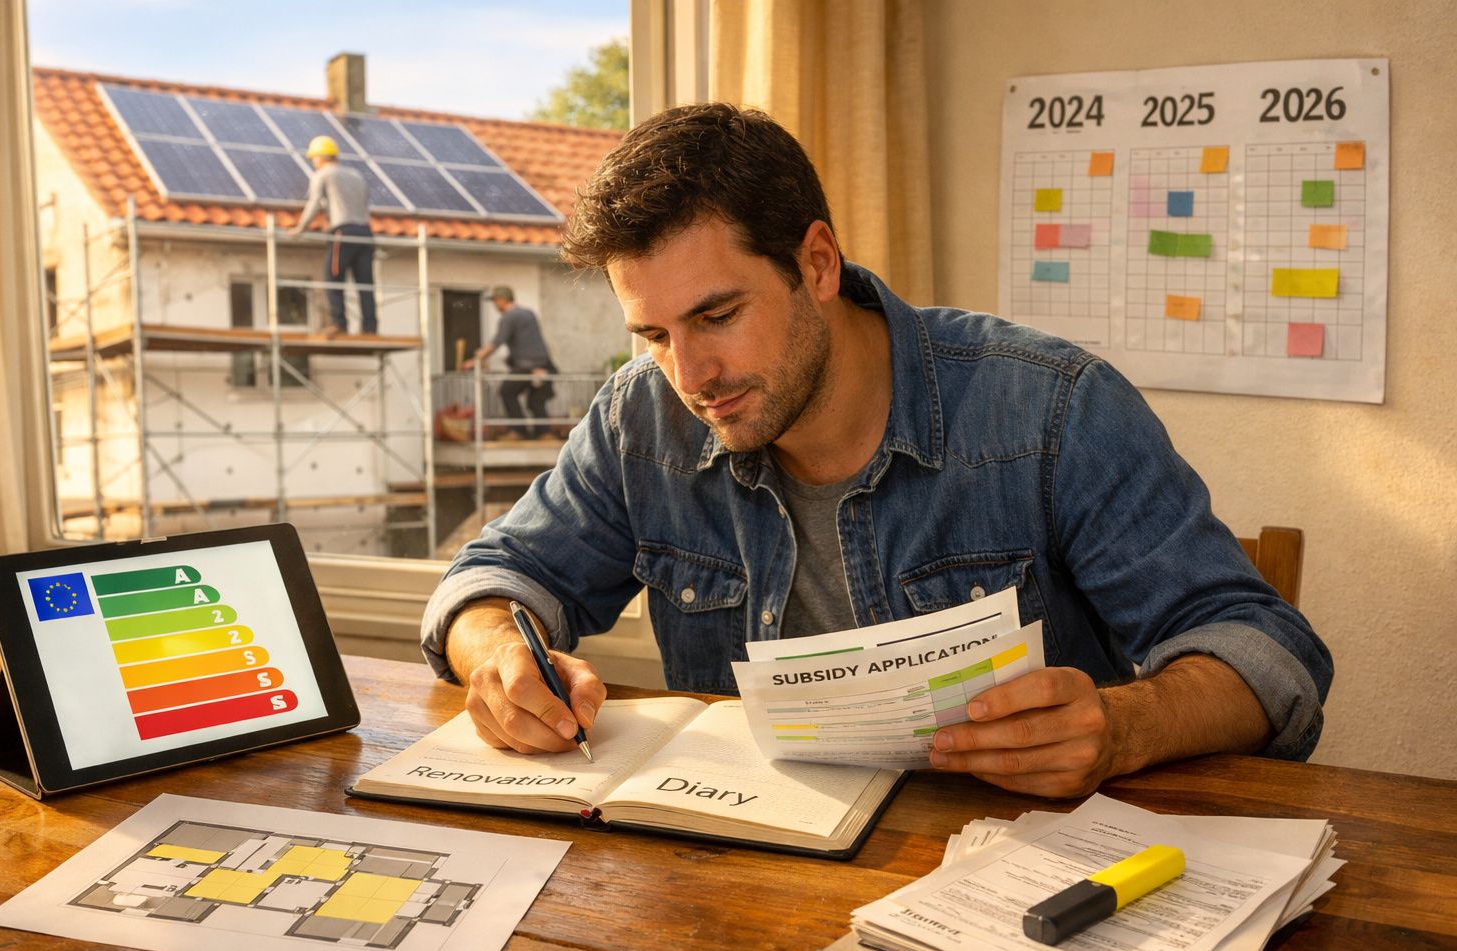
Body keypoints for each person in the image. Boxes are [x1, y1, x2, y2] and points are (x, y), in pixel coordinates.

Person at [421, 103, 1332, 799]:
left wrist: (1128, 725)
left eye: (717, 316)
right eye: (652, 334)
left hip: (1013, 885)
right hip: (747, 889)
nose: (690, 373)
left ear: (816, 264)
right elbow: (494, 575)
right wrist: (498, 650)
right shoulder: (641, 419)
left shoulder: (1050, 408)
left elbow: (1268, 656)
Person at [288, 135, 377, 337]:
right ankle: (370, 328)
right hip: (365, 232)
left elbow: (315, 203)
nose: (313, 162)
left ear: (320, 157)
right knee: (365, 283)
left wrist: (300, 228)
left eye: (314, 158)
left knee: (333, 277)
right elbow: (363, 204)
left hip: (343, 232)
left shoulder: (323, 175)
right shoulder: (356, 175)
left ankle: (339, 323)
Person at [464, 286, 558, 440]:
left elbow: (496, 342)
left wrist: (476, 360)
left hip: (527, 365)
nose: (495, 305)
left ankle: (519, 431)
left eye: (495, 301)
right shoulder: (528, 313)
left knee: (506, 391)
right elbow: (528, 342)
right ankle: (544, 433)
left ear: (502, 300)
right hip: (545, 364)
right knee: (535, 399)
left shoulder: (509, 317)